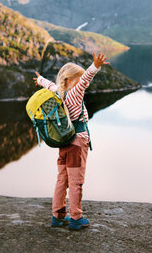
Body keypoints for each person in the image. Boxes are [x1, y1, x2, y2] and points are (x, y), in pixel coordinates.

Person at [33, 53, 109, 231]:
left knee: (62, 180)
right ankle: (76, 218)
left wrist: (40, 80)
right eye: (79, 78)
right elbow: (86, 79)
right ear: (69, 79)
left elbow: (50, 85)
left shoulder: (58, 93)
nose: (84, 82)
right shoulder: (75, 94)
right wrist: (95, 66)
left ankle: (58, 216)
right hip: (77, 144)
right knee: (76, 182)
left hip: (64, 143)